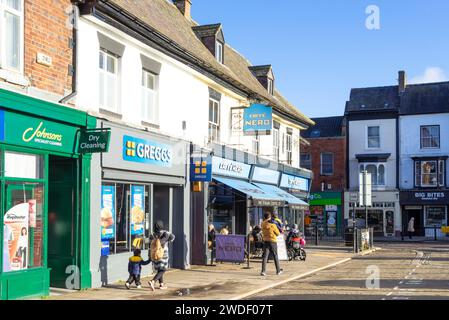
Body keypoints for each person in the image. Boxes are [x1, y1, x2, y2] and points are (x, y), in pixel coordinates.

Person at [148, 220, 175, 291]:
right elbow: (173, 237)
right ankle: (153, 281)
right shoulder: (165, 233)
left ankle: (161, 284)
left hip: (154, 254)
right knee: (163, 269)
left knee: (159, 269)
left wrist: (149, 255)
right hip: (163, 254)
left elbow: (150, 244)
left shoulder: (152, 234)